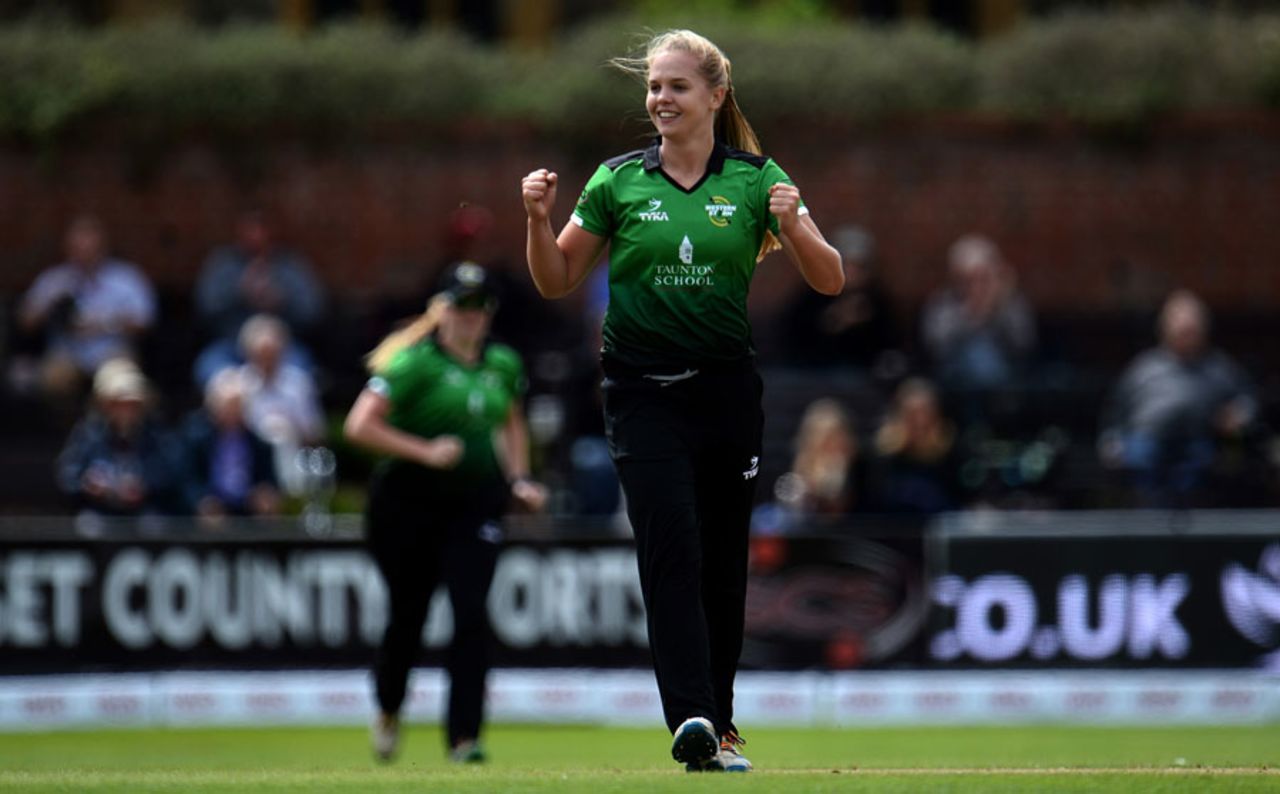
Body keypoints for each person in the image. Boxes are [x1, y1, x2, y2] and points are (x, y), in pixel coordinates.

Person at [520, 29, 843, 773]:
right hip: (641, 394)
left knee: (724, 565)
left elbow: (829, 281)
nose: (661, 99)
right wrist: (538, 222)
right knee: (672, 549)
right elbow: (556, 278)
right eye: (654, 88)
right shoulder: (617, 180)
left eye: (677, 87)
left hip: (727, 393)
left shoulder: (757, 181)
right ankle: (691, 716)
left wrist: (792, 225)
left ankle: (722, 727)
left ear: (715, 96)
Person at [343, 263, 546, 765]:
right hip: (407, 504)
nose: (471, 318)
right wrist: (424, 450)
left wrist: (519, 478)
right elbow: (359, 427)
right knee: (408, 618)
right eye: (462, 307)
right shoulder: (414, 363)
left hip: (475, 501)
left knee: (471, 615)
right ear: (444, 310)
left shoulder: (502, 363)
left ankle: (464, 738)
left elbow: (512, 422)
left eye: (480, 308)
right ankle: (389, 707)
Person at [1099, 289, 1259, 507]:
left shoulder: (1220, 368)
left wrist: (1239, 416)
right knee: (1138, 454)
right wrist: (1111, 441)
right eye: (1180, 325)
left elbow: (1247, 402)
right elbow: (1115, 413)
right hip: (1147, 447)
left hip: (1199, 446)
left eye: (1192, 327)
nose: (1186, 331)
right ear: (1164, 328)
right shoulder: (1144, 368)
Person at [15, 215, 156, 399]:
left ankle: (108, 428)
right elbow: (25, 322)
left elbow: (146, 321)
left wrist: (104, 324)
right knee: (52, 380)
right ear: (67, 250)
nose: (84, 255)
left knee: (119, 384)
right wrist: (51, 306)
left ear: (103, 248)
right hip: (66, 354)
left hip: (111, 352)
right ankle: (68, 427)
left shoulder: (126, 278)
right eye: (77, 249)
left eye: (90, 249)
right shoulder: (55, 280)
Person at [193, 209, 324, 387]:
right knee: (209, 369)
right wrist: (239, 292)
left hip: (283, 351)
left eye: (261, 229)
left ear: (272, 232)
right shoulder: (223, 264)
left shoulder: (290, 267)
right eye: (250, 229)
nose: (256, 235)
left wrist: (280, 299)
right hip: (232, 347)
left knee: (302, 376)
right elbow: (205, 306)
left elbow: (312, 311)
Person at [55, 358, 185, 535]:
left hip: (144, 510)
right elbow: (67, 474)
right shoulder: (88, 434)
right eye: (118, 404)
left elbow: (171, 473)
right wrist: (88, 484)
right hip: (99, 510)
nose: (125, 410)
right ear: (106, 405)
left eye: (131, 404)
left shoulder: (157, 435)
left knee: (154, 525)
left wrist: (144, 486)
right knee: (88, 526)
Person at [921, 234, 1036, 392]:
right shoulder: (943, 303)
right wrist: (971, 312)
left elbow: (1023, 343)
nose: (975, 285)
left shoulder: (1011, 302)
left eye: (982, 277)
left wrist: (996, 306)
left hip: (1007, 380)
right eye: (968, 279)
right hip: (954, 379)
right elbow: (936, 346)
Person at [779, 225, 897, 372]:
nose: (851, 273)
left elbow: (889, 345)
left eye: (859, 267)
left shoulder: (876, 300)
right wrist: (833, 320)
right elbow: (793, 341)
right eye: (845, 265)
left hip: (864, 377)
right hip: (815, 374)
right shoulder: (812, 296)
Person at [235, 313, 327, 496]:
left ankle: (291, 496)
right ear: (249, 354)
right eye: (261, 355)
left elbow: (314, 432)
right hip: (250, 459)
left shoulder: (299, 384)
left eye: (272, 354)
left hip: (293, 456)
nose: (267, 362)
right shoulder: (238, 384)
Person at [180, 367, 282, 529]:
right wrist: (201, 501)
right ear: (213, 406)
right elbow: (187, 480)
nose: (234, 412)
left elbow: (271, 482)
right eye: (229, 406)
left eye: (239, 406)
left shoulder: (260, 444)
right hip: (210, 512)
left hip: (248, 513)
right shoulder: (195, 440)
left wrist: (266, 496)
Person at [869, 377, 965, 515]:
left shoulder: (951, 452)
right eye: (912, 414)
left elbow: (958, 500)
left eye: (925, 412)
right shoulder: (884, 455)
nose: (920, 421)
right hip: (895, 529)